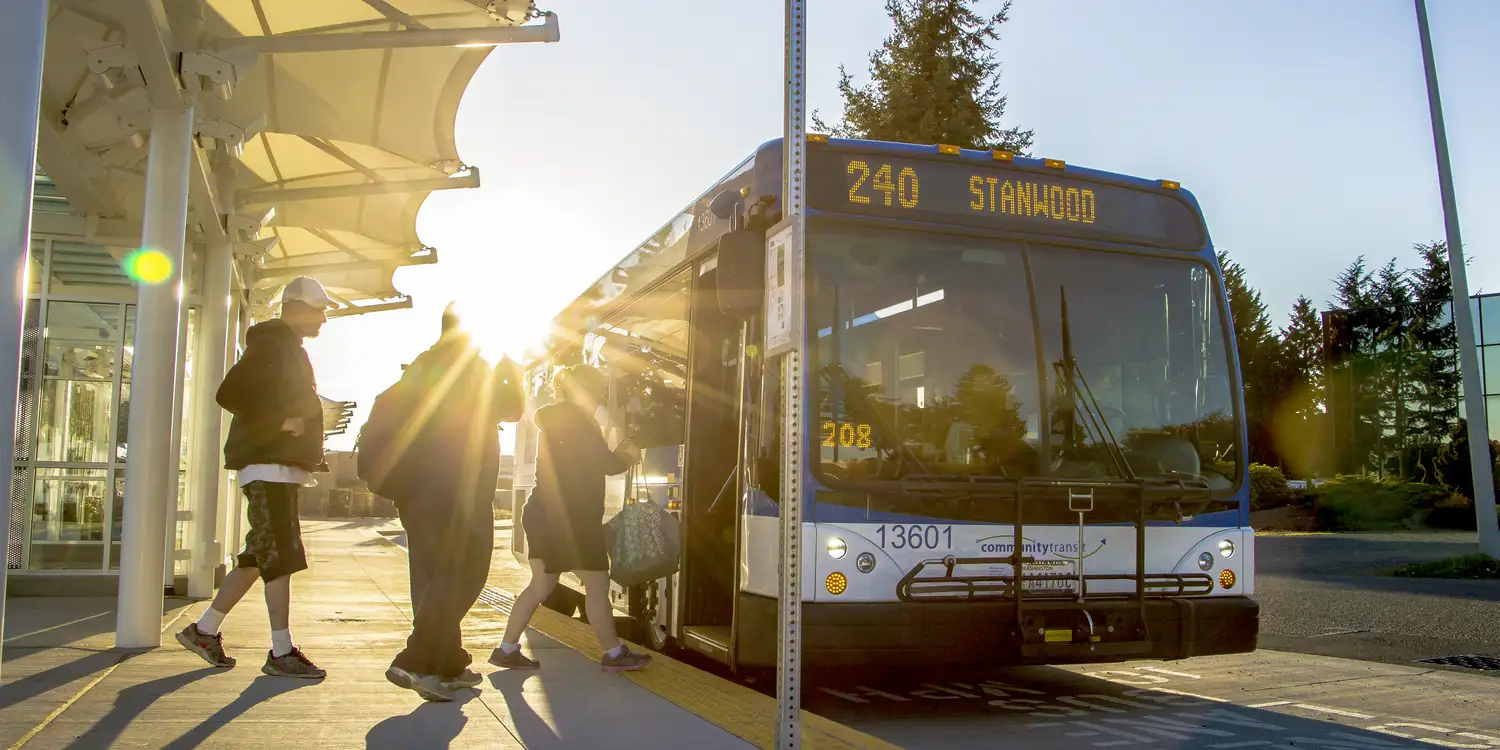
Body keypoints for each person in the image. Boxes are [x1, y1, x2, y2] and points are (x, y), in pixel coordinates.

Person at [176, 276, 336, 678]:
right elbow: (229, 394)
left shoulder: (285, 346)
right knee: (279, 556)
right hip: (269, 468)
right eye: (318, 309)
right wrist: (281, 421)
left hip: (277, 468)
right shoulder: (272, 343)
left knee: (256, 556)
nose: (323, 319)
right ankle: (281, 651)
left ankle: (204, 630)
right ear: (295, 306)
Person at [379, 305, 514, 702]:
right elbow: (512, 409)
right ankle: (417, 660)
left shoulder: (422, 364)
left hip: (415, 491)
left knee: (432, 577)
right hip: (459, 492)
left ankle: (448, 662)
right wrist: (512, 372)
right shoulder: (474, 369)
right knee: (463, 574)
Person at [492, 364, 652, 672]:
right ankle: (614, 654)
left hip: (542, 513)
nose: (600, 397)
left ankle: (507, 648)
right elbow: (602, 463)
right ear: (586, 390)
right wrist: (626, 455)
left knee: (540, 584)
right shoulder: (578, 422)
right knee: (596, 582)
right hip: (570, 518)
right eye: (598, 390)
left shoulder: (554, 420)